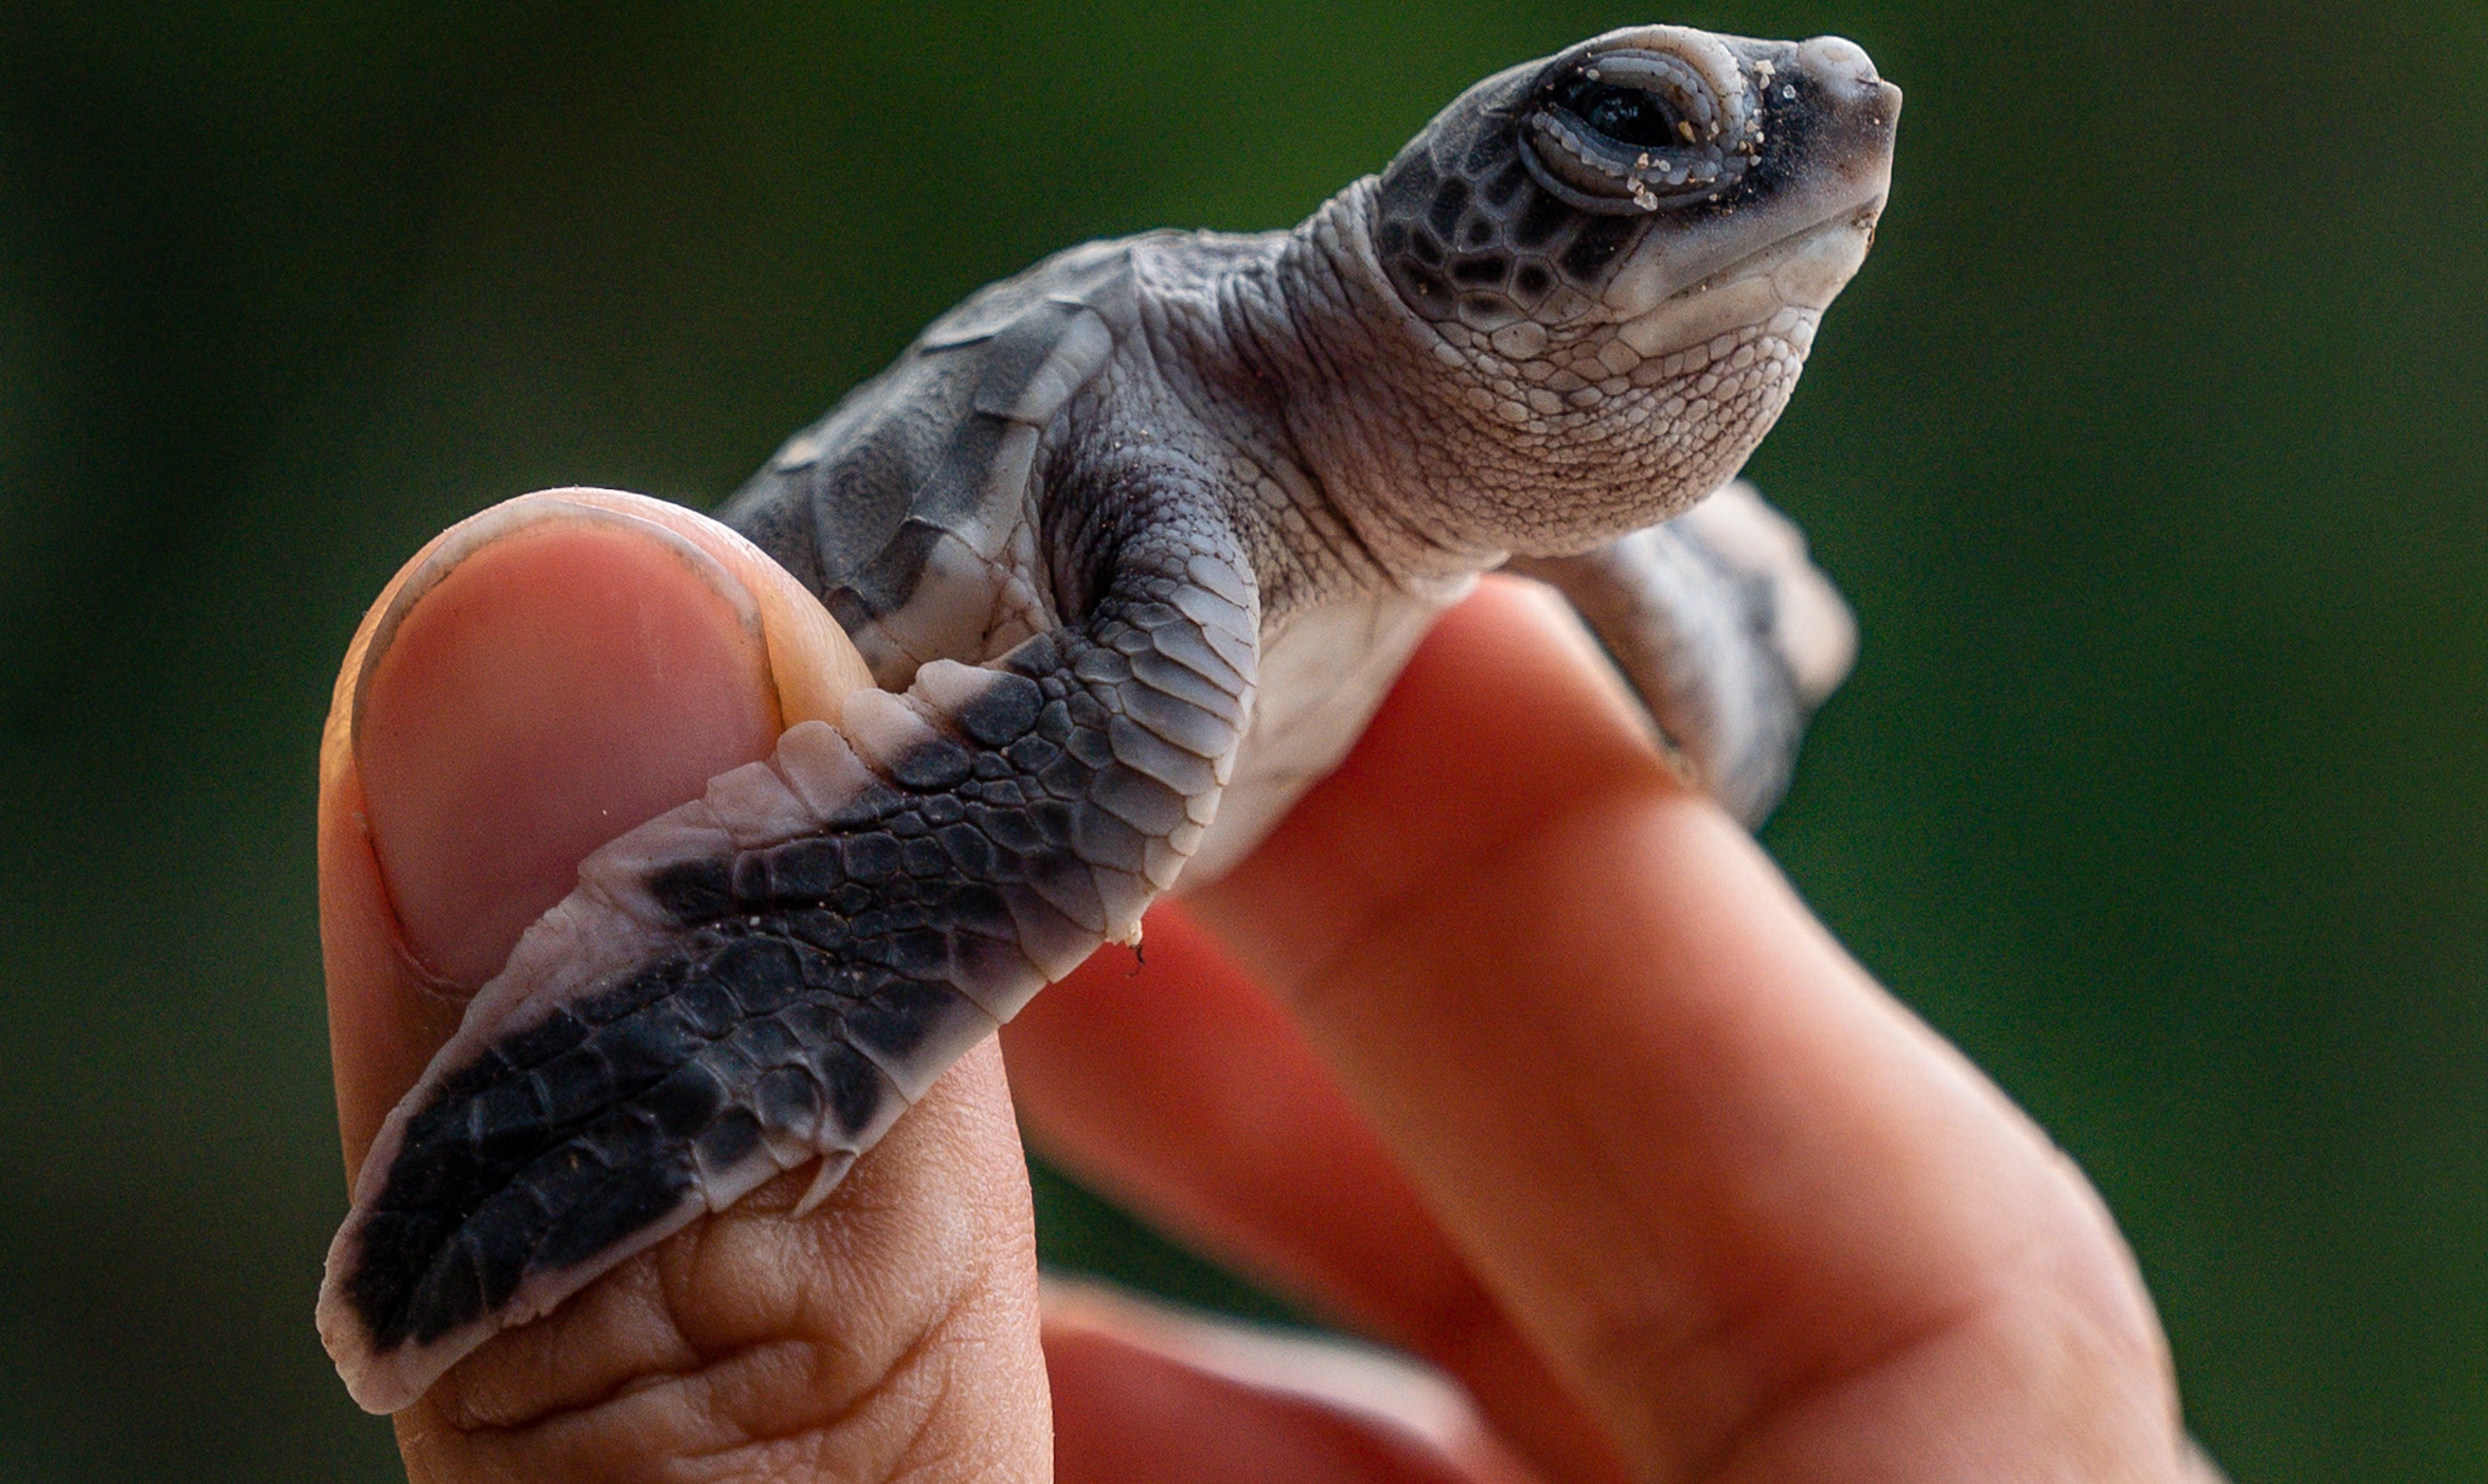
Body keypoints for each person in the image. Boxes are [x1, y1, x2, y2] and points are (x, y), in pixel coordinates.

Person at [319, 492, 2223, 1481]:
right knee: (1112, 774)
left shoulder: (1488, 473)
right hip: (854, 600)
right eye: (1640, 129)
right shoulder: (1216, 501)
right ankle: (619, 1075)